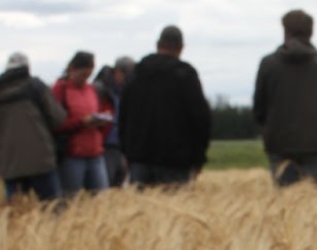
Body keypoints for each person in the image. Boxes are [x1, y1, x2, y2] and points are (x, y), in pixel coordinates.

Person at [119, 26, 213, 187]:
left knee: (141, 203)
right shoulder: (186, 75)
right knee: (174, 203)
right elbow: (201, 119)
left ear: (158, 45)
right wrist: (199, 158)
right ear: (181, 47)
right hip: (175, 160)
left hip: (139, 159)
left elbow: (123, 116)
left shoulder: (136, 73)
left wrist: (126, 153)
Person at [253, 9, 317, 187]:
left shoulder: (268, 64)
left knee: (285, 201)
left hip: (279, 145)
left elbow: (259, 109)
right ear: (311, 32)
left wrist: (270, 130)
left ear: (285, 31)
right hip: (316, 144)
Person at [0, 51, 65, 203]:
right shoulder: (36, 86)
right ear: (27, 67)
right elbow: (58, 118)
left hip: (10, 164)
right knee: (52, 208)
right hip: (41, 160)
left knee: (16, 211)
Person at [52, 51, 111, 194]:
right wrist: (81, 122)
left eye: (89, 76)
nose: (85, 79)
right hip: (72, 156)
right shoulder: (60, 90)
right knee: (72, 199)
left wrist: (101, 119)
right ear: (72, 69)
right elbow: (55, 124)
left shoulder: (91, 89)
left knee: (103, 199)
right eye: (83, 75)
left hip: (95, 152)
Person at [95, 56, 136, 188]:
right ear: (118, 72)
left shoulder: (125, 91)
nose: (129, 80)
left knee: (117, 187)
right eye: (127, 76)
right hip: (105, 145)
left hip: (120, 147)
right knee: (105, 186)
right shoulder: (100, 90)